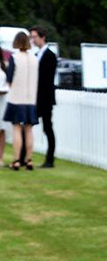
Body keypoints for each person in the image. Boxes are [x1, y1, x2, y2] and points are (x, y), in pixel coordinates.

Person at [3, 31, 39, 171]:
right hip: (31, 99)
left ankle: (16, 160)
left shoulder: (15, 57)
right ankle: (29, 160)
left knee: (17, 128)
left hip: (17, 98)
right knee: (29, 129)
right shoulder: (35, 59)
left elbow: (9, 79)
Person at [30, 26, 57, 168]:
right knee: (27, 126)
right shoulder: (36, 55)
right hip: (36, 98)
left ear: (43, 37)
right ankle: (23, 157)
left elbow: (46, 79)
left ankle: (50, 159)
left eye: (35, 37)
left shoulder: (50, 56)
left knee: (47, 128)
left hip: (45, 98)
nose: (33, 40)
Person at [0, 48, 11, 167]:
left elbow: (7, 86)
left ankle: (1, 158)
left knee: (2, 131)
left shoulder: (3, 69)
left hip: (2, 103)